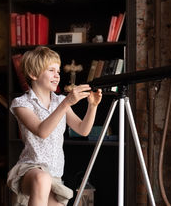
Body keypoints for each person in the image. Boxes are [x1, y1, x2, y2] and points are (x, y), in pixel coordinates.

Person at [7, 46, 102, 206]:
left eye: (58, 71)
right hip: (31, 169)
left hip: (55, 175)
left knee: (47, 181)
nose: (57, 75)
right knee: (42, 178)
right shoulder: (21, 103)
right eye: (51, 70)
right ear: (33, 74)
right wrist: (67, 103)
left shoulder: (59, 101)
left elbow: (83, 130)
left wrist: (93, 107)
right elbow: (41, 131)